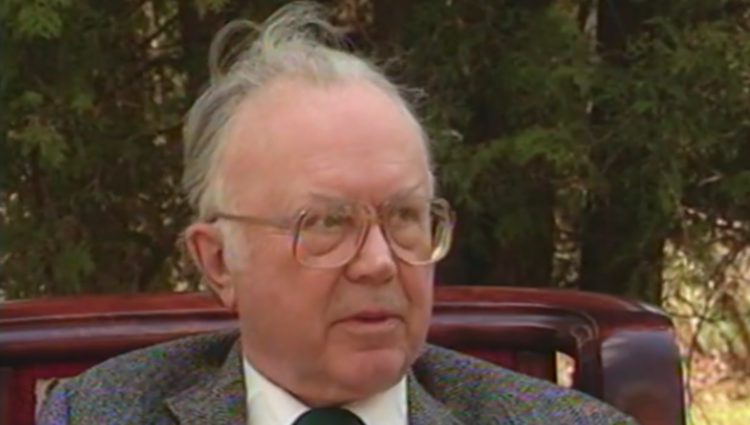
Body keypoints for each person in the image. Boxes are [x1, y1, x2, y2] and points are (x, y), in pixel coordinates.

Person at [38, 2, 638, 424]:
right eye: (326, 222)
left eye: (404, 216)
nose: (379, 263)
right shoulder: (96, 414)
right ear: (219, 262)